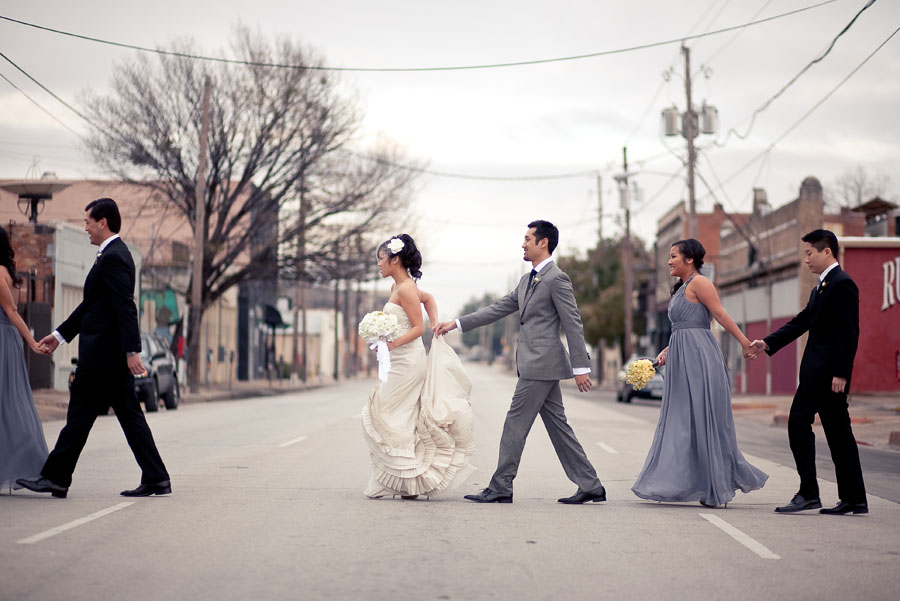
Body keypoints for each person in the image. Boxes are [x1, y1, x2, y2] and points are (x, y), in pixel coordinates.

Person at [434, 220, 605, 504]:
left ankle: (501, 485)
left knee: (515, 423)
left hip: (541, 363)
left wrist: (581, 367)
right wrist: (457, 323)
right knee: (559, 427)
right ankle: (590, 484)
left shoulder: (556, 278)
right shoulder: (527, 281)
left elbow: (572, 323)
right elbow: (498, 308)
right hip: (537, 364)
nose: (523, 244)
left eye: (528, 239)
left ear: (543, 243)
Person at [17, 198, 170, 499]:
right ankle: (156, 477)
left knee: (82, 417)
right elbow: (92, 306)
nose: (84, 227)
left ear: (103, 222)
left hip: (104, 357)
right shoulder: (111, 255)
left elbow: (125, 306)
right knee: (120, 417)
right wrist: (59, 335)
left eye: (88, 221)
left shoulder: (114, 257)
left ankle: (56, 478)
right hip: (106, 357)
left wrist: (132, 351)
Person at [632, 239, 767, 507]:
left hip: (701, 362)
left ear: (689, 259)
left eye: (673, 256)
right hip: (681, 360)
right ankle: (681, 482)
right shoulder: (682, 288)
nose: (669, 261)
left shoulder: (701, 284)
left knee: (704, 421)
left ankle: (714, 488)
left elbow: (719, 314)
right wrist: (668, 350)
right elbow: (684, 326)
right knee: (682, 422)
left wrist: (744, 342)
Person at [750, 229, 867, 515]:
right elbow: (802, 322)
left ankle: (809, 493)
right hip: (821, 374)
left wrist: (841, 373)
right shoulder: (822, 287)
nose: (806, 260)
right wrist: (767, 343)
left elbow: (849, 332)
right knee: (839, 434)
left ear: (826, 251)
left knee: (798, 424)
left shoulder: (843, 284)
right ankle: (854, 498)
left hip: (826, 375)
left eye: (809, 253)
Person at [361, 234, 475, 499]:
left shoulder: (406, 289)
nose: (378, 264)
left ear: (395, 259)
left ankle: (396, 476)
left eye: (381, 259)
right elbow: (430, 299)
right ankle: (402, 479)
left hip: (408, 361)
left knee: (389, 413)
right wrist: (437, 324)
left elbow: (417, 328)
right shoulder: (399, 288)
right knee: (397, 415)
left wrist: (393, 343)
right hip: (399, 359)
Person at [0, 225, 50, 493]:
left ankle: (31, 462)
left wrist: (32, 342)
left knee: (8, 405)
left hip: (3, 341)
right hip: (6, 340)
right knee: (8, 405)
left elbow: (11, 311)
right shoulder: (5, 271)